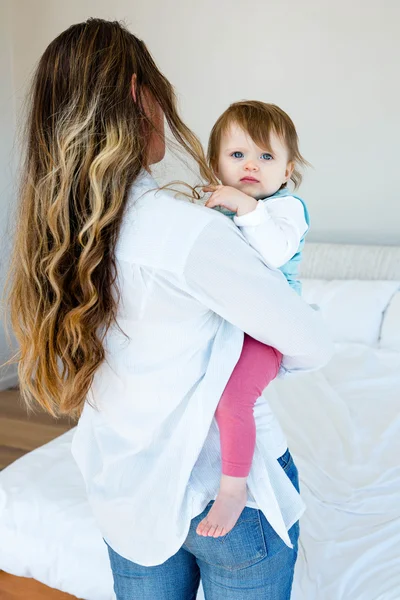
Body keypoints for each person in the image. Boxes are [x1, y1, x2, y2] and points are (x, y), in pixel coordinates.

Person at [1, 18, 333, 600]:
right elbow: (311, 342)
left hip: (125, 488)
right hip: (224, 490)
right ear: (139, 97)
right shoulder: (191, 233)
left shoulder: (58, 236)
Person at [196, 101, 310, 538]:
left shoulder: (286, 209)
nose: (251, 166)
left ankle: (233, 488)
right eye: (237, 154)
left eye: (266, 157)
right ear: (216, 164)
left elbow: (274, 252)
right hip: (224, 323)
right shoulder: (218, 208)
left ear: (287, 170)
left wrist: (245, 208)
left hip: (267, 329)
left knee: (232, 399)